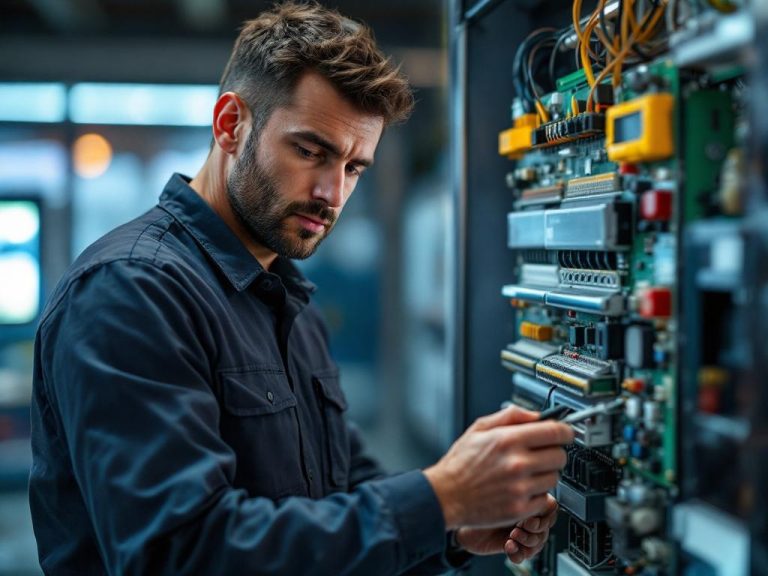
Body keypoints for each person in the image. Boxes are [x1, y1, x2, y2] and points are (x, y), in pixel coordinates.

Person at [29, 2, 574, 574]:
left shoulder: (286, 298)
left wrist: (451, 527)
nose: (332, 193)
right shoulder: (131, 292)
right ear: (230, 124)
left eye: (354, 167)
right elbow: (177, 554)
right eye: (311, 151)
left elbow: (339, 490)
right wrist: (438, 498)